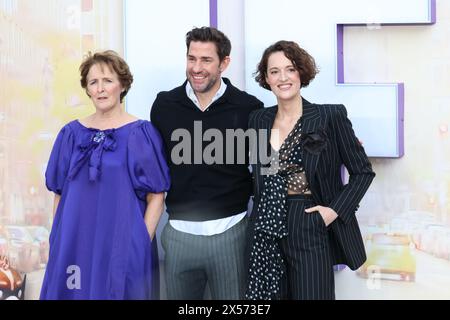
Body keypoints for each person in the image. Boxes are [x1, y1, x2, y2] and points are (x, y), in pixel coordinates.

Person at [246, 40, 375, 300]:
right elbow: (265, 172)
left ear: (301, 73)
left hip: (307, 221)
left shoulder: (329, 117)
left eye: (290, 69)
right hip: (265, 229)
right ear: (266, 78)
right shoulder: (258, 119)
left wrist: (332, 212)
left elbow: (363, 172)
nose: (283, 77)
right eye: (274, 71)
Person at [40, 50, 170, 300]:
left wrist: (140, 242)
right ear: (87, 89)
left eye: (107, 81)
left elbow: (157, 195)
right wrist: (57, 239)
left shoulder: (140, 133)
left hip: (120, 245)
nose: (100, 89)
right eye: (93, 82)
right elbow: (59, 193)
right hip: (75, 244)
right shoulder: (70, 134)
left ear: (122, 85)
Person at [151, 27, 263, 300]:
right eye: (192, 59)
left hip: (231, 234)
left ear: (224, 63)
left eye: (206, 60)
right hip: (178, 236)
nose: (196, 68)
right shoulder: (164, 105)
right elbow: (151, 168)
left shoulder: (250, 108)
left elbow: (266, 167)